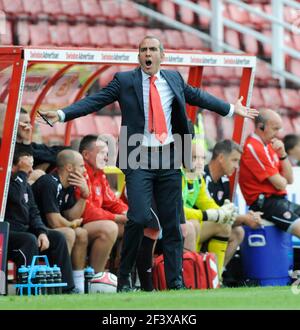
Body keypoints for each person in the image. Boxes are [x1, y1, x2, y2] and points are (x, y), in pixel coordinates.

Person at [39, 35, 258, 291]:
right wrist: (63, 114)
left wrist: (232, 109)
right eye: (143, 49)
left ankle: (175, 283)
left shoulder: (173, 79)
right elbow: (94, 101)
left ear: (161, 56)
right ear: (138, 56)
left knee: (174, 224)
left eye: (152, 49)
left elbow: (199, 96)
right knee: (139, 217)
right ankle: (124, 278)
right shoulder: (125, 80)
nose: (147, 53)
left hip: (169, 156)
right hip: (138, 157)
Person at [5, 147, 75, 293]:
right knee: (29, 240)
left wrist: (42, 232)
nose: (31, 169)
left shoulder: (23, 184)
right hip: (6, 233)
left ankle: (66, 289)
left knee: (57, 238)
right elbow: (16, 198)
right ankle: (29, 291)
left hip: (23, 231)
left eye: (31, 164)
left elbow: (34, 212)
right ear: (14, 165)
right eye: (27, 164)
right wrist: (22, 173)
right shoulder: (6, 181)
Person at [32, 150, 90, 293]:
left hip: (48, 230)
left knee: (81, 234)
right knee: (68, 233)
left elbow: (70, 215)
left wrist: (84, 195)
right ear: (70, 168)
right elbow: (54, 222)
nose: (85, 170)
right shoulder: (49, 182)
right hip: (34, 229)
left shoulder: (68, 186)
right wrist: (71, 224)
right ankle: (60, 285)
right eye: (82, 166)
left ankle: (78, 285)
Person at [239, 108, 300, 237]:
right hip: (265, 204)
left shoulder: (269, 146)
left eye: (279, 129)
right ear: (261, 127)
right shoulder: (253, 147)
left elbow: (289, 180)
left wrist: (283, 154)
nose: (277, 134)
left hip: (279, 200)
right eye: (275, 129)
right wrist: (281, 179)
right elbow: (281, 184)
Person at [204, 139, 263, 267]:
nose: (237, 166)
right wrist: (243, 218)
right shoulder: (203, 177)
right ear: (220, 157)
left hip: (213, 226)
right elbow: (212, 214)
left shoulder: (224, 182)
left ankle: (218, 275)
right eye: (234, 160)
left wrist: (247, 218)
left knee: (238, 232)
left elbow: (225, 215)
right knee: (225, 227)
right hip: (197, 224)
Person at [181, 142, 236, 279]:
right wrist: (206, 215)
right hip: (167, 225)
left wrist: (223, 213)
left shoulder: (198, 178)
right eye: (194, 158)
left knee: (224, 226)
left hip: (185, 225)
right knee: (192, 224)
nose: (200, 163)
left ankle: (215, 278)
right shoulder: (177, 176)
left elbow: (207, 203)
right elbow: (176, 210)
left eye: (202, 158)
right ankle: (191, 276)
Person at [77, 135, 124, 272]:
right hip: (77, 223)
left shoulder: (99, 173)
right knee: (110, 228)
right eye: (102, 153)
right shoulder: (79, 173)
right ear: (86, 154)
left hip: (91, 222)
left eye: (107, 154)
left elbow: (112, 201)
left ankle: (122, 276)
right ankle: (96, 278)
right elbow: (87, 211)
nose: (106, 158)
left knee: (135, 224)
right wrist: (117, 217)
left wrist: (128, 213)